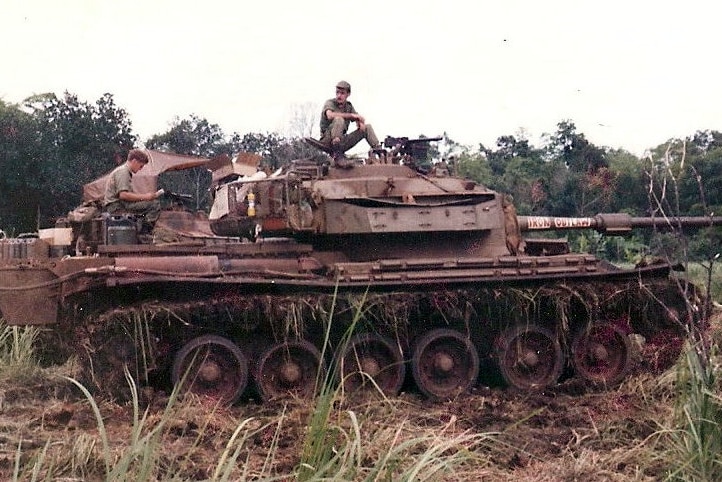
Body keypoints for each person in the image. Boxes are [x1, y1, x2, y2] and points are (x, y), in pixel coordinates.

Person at [317, 80, 382, 159]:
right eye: (337, 92)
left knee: (367, 127)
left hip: (342, 142)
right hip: (327, 140)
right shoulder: (330, 103)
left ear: (348, 94)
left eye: (342, 93)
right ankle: (336, 151)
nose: (339, 96)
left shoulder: (349, 106)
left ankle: (380, 151)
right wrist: (351, 115)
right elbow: (330, 115)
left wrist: (360, 123)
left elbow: (358, 118)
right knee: (339, 119)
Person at [103, 149, 163, 229]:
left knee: (148, 203)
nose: (140, 169)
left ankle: (140, 228)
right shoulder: (123, 172)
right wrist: (146, 197)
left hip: (119, 204)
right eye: (141, 166)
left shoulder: (122, 171)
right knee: (154, 205)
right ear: (134, 161)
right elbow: (123, 195)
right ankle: (144, 232)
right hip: (117, 206)